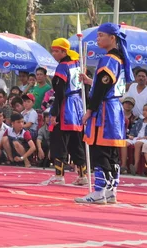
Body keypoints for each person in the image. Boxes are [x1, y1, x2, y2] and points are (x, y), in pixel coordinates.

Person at [76, 23, 134, 204]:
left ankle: (99, 192)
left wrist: (89, 111)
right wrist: (90, 81)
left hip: (104, 112)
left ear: (112, 38)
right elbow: (106, 84)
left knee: (100, 150)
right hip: (115, 109)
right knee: (111, 152)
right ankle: (111, 191)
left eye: (101, 35)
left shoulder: (109, 59)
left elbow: (102, 90)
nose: (97, 39)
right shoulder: (120, 59)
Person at [42, 38, 87, 186]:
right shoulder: (76, 64)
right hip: (77, 106)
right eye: (53, 51)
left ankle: (59, 176)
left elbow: (59, 93)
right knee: (76, 142)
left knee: (58, 141)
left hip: (65, 106)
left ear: (64, 51)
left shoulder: (62, 67)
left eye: (56, 51)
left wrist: (54, 114)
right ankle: (82, 175)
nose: (54, 54)